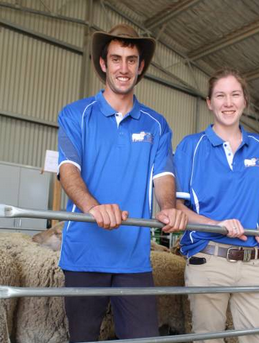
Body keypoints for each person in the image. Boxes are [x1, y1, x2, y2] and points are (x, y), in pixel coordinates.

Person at [57, 24, 187, 342]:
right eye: (116, 59)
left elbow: (163, 176)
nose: (123, 68)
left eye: (131, 60)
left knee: (143, 337)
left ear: (140, 67)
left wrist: (169, 208)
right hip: (84, 254)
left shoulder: (156, 124)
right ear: (103, 63)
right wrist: (93, 207)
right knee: (83, 337)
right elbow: (68, 170)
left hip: (133, 257)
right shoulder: (76, 115)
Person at [174, 67, 259, 343]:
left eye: (235, 94)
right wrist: (217, 225)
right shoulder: (191, 147)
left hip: (253, 263)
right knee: (208, 339)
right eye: (220, 96)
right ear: (209, 103)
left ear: (245, 100)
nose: (228, 102)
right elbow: (178, 208)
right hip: (209, 259)